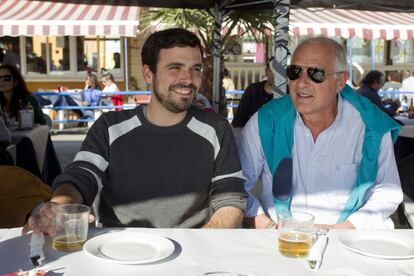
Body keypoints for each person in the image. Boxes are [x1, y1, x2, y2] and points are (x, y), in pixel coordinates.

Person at [24, 28, 247, 235]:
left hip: (192, 246)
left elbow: (231, 199)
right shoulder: (110, 126)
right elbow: (81, 177)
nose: (188, 79)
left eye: (195, 69)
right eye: (175, 68)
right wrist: (59, 208)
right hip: (117, 248)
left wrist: (199, 246)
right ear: (148, 74)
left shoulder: (216, 128)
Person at [238, 37, 402, 230]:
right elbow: (238, 184)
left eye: (315, 74)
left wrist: (343, 229)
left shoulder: (370, 126)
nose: (301, 83)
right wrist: (265, 225)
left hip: (346, 239)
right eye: (295, 72)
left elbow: (386, 192)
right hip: (279, 238)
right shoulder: (266, 121)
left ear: (340, 82)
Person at [232, 57, 275, 128]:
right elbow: (239, 121)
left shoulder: (289, 93)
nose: (275, 74)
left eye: (279, 71)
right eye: (272, 70)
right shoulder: (253, 91)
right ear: (266, 71)